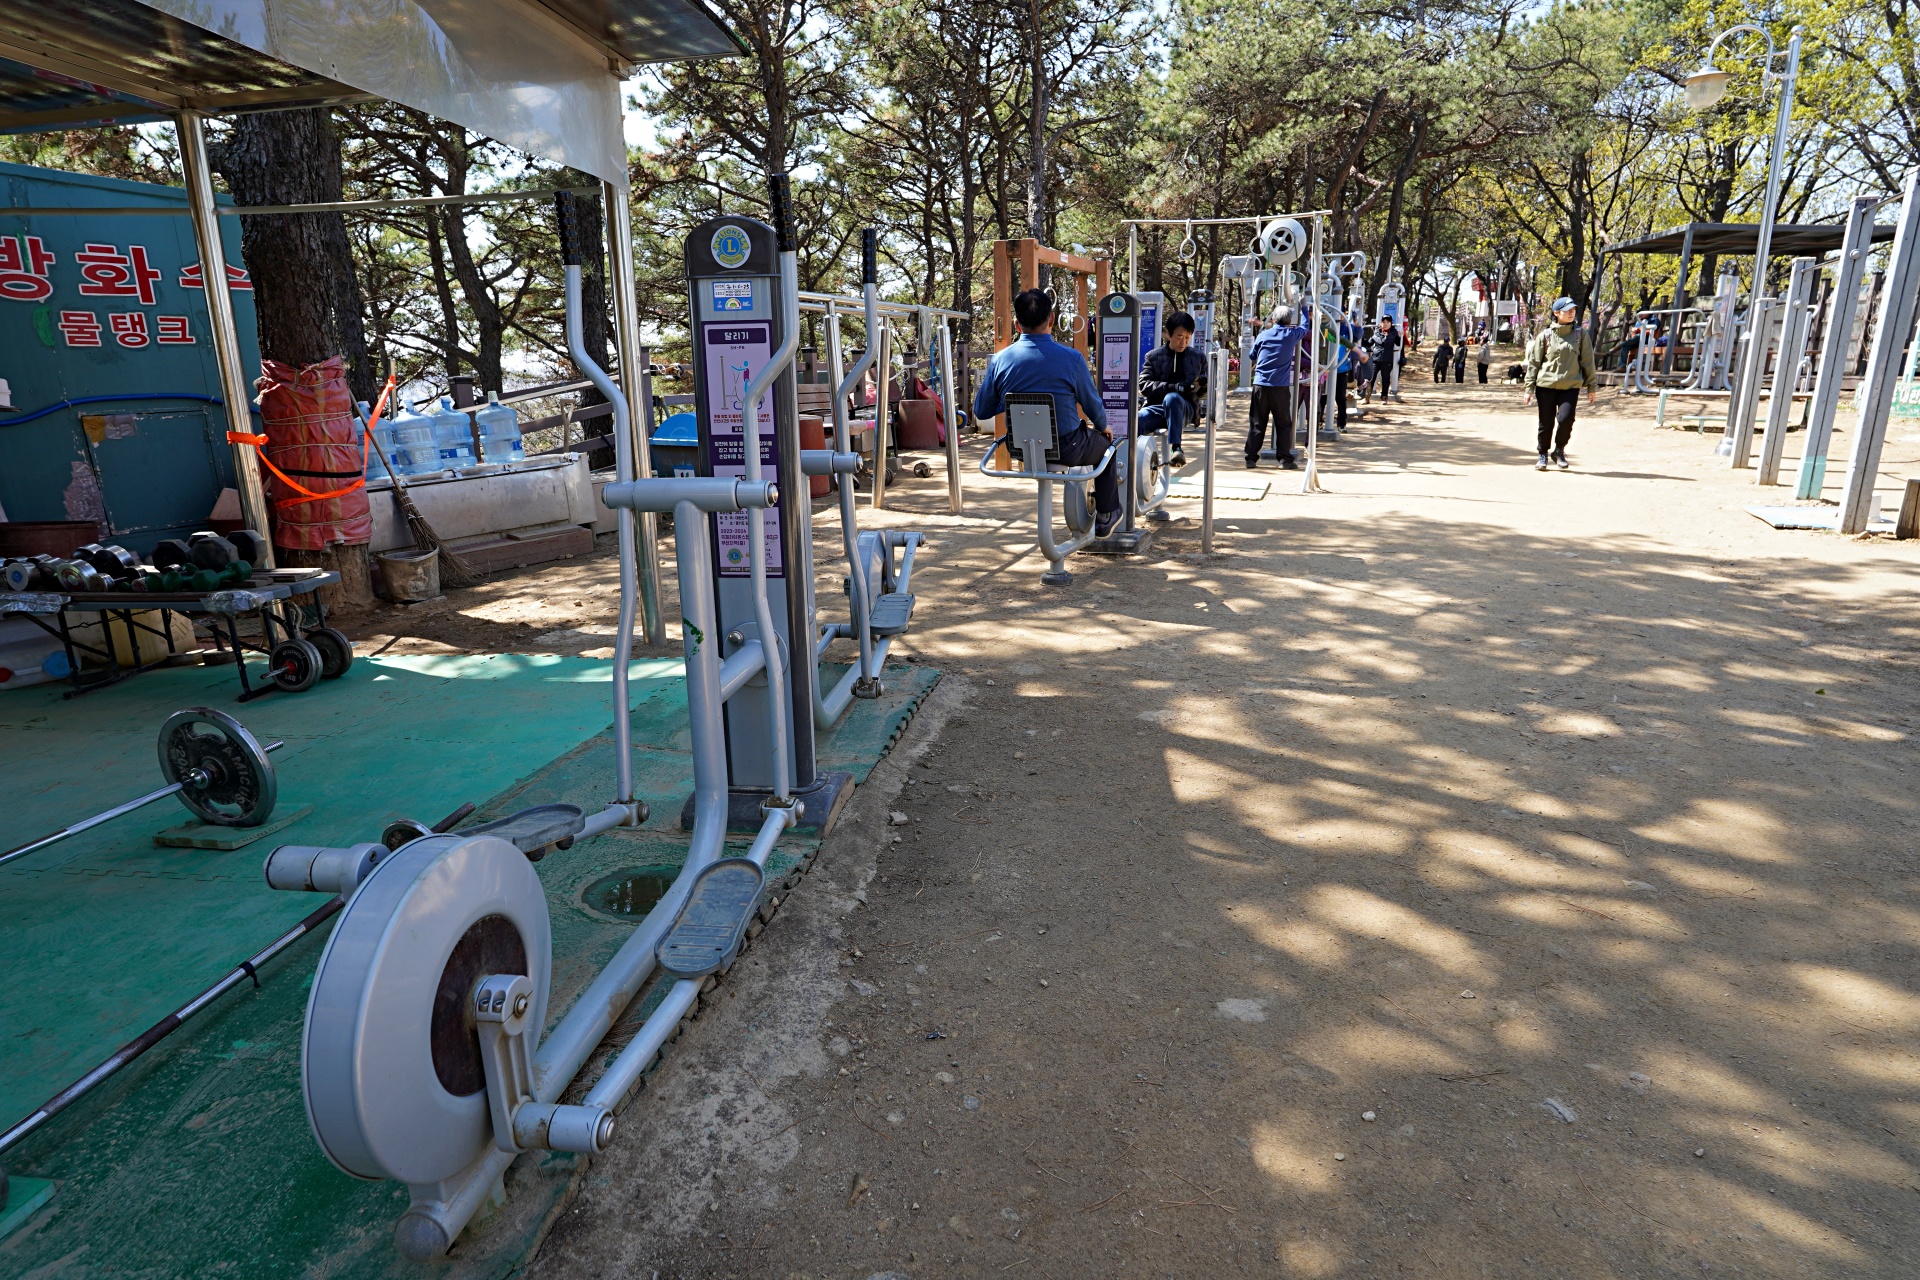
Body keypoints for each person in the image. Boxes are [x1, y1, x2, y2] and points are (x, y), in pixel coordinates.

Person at [973, 287, 1121, 534]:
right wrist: (1102, 425)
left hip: (1020, 448)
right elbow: (1091, 402)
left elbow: (982, 409)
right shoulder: (1072, 358)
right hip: (1068, 448)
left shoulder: (1000, 360)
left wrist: (1009, 399)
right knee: (1108, 448)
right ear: (1051, 319)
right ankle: (1107, 514)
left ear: (1017, 324)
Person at [1524, 296, 1598, 470]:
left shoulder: (1580, 335)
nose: (1572, 313)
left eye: (1573, 310)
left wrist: (1591, 387)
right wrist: (1529, 388)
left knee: (1566, 419)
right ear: (1556, 313)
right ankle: (1543, 454)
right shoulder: (1545, 336)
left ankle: (1559, 450)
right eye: (1567, 310)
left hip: (1570, 387)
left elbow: (1588, 362)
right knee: (1546, 422)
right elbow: (1534, 363)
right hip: (1546, 387)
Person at [1138, 310, 1205, 467]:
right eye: (1179, 337)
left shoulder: (1198, 357)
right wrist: (1173, 387)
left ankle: (1177, 448)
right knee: (1136, 420)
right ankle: (1128, 461)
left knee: (1172, 398)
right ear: (1168, 334)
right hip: (1156, 409)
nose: (1183, 342)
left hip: (1185, 409)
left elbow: (1204, 391)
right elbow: (1144, 385)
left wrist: (1201, 385)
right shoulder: (1153, 356)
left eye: (1187, 337)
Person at [1244, 305, 1309, 468]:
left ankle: (1251, 458)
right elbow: (1305, 326)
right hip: (1280, 387)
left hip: (1260, 385)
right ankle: (1285, 459)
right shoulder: (1291, 335)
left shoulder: (1263, 335)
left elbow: (1252, 355)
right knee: (1283, 423)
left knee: (1257, 423)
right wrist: (1304, 307)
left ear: (1273, 319)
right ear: (1289, 321)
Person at [1366, 317, 1398, 399]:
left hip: (1387, 359)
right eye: (1384, 322)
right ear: (1381, 323)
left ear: (1391, 323)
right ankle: (1367, 396)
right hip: (1376, 358)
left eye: (1387, 322)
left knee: (1385, 379)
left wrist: (1401, 336)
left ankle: (1384, 396)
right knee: (1371, 378)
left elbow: (1399, 343)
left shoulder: (1394, 333)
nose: (1385, 324)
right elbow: (1369, 343)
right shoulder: (1377, 333)